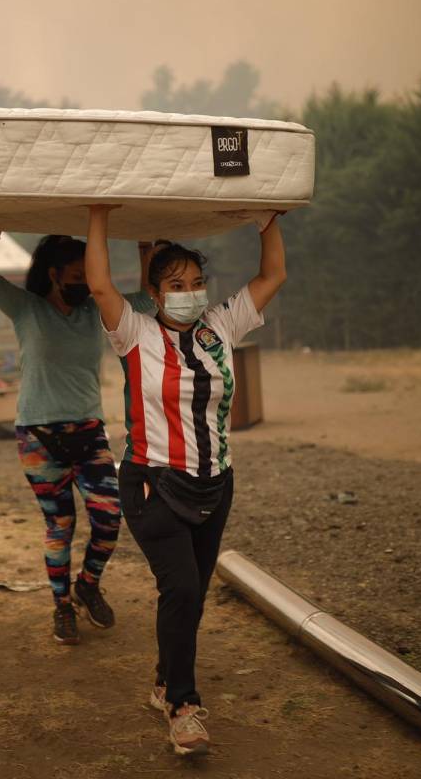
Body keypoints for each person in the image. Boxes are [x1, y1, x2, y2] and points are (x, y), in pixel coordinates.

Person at [84, 205, 287, 756]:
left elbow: (273, 276)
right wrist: (98, 214)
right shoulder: (134, 333)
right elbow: (98, 282)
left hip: (216, 482)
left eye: (197, 282)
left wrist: (268, 221)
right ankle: (183, 706)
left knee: (190, 599)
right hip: (152, 484)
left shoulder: (221, 326)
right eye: (177, 284)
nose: (190, 292)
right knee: (182, 588)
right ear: (155, 292)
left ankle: (162, 680)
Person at [0, 231, 155, 644]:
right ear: (54, 274)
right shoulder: (26, 309)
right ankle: (61, 607)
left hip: (88, 432)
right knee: (60, 524)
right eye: (76, 275)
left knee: (109, 518)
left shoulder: (97, 310)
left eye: (87, 275)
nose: (83, 283)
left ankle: (87, 584)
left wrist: (145, 245)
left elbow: (148, 298)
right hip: (38, 436)